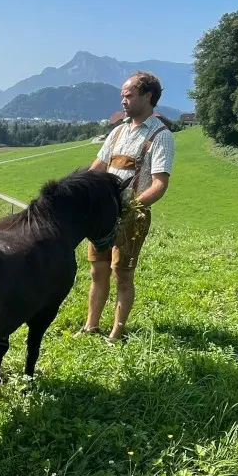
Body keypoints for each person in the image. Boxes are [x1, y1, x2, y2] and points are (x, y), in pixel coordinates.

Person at [75, 72, 176, 344]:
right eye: (122, 95)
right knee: (97, 270)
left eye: (129, 95)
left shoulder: (160, 136)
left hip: (131, 217)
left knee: (123, 275)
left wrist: (128, 208)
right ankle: (91, 326)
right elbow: (98, 167)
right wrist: (76, 188)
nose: (123, 101)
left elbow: (159, 184)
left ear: (148, 96)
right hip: (102, 217)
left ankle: (116, 332)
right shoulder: (118, 130)